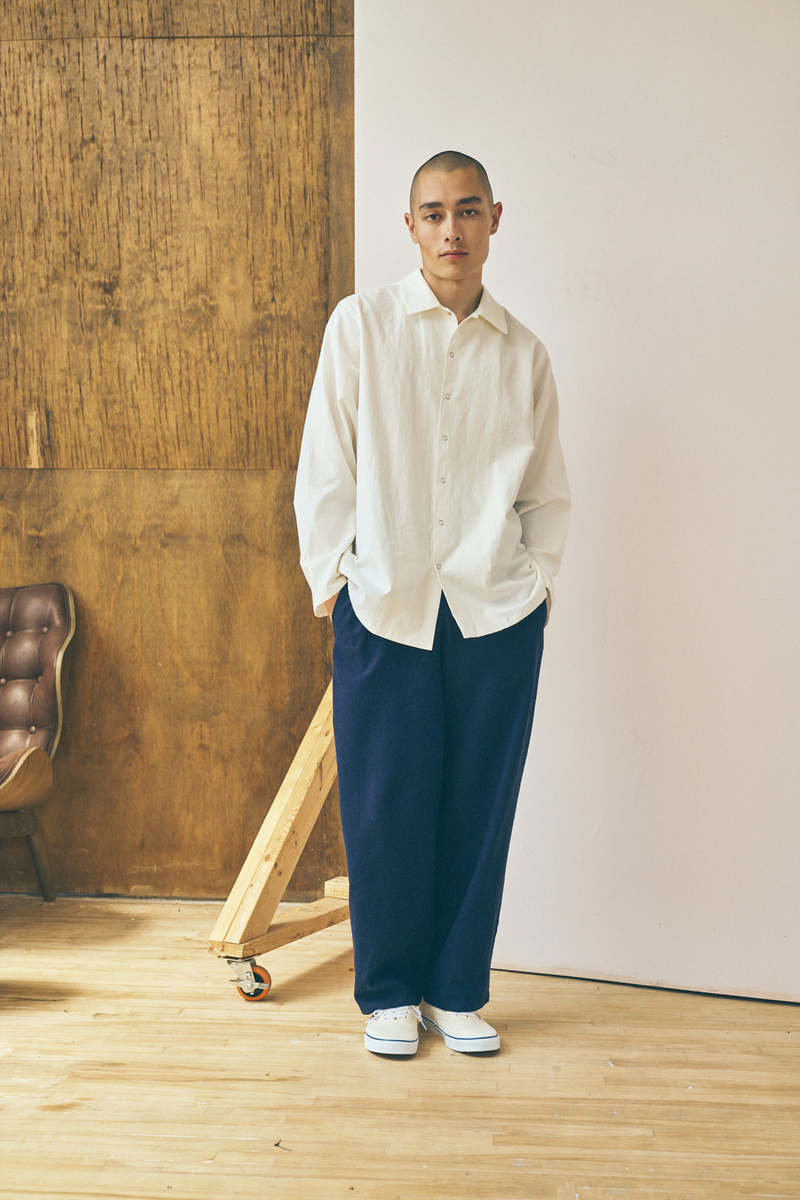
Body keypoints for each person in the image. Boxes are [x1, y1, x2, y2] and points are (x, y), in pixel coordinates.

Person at [293, 150, 571, 1057]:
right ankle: (388, 995)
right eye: (434, 212)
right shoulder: (361, 326)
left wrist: (538, 588)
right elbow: (326, 461)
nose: (452, 229)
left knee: (480, 806)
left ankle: (456, 992)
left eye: (467, 210)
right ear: (410, 226)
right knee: (384, 804)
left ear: (495, 218)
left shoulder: (524, 354)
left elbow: (546, 490)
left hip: (496, 611)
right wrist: (335, 580)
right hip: (384, 603)